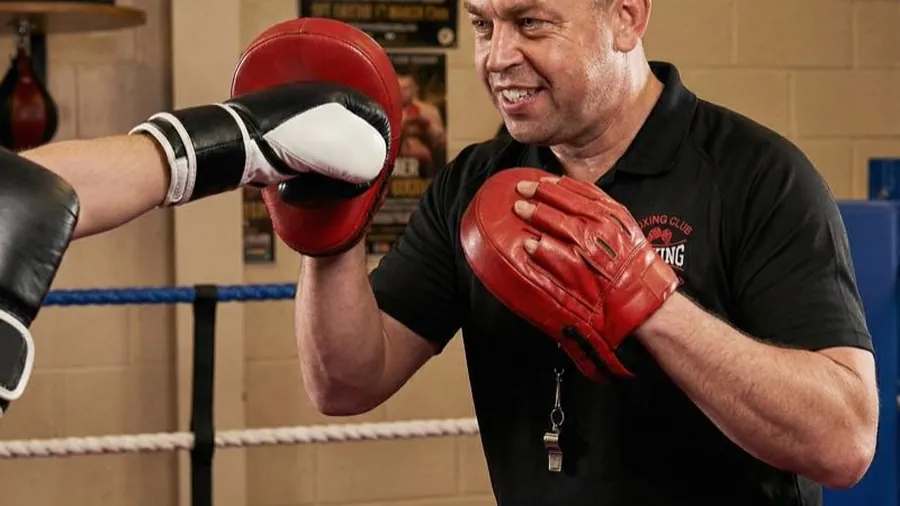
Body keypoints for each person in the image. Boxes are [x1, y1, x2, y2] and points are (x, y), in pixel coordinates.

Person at [4, 1, 879, 506]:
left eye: (530, 22)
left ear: (626, 15)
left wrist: (646, 296)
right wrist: (327, 233)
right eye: (483, 22)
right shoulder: (478, 182)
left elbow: (844, 441)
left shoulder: (756, 176)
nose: (498, 57)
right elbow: (347, 381)